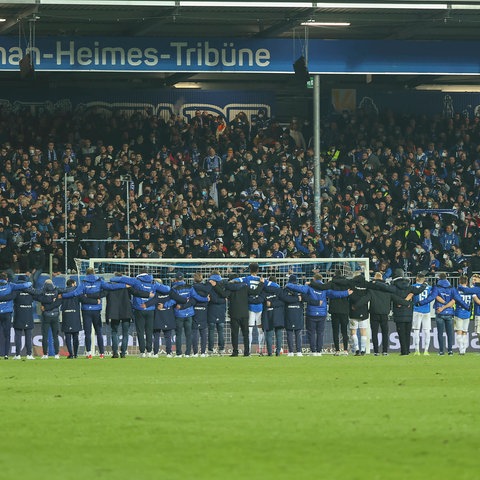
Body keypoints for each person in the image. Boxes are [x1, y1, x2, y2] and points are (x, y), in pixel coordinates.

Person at [286, 273, 351, 356]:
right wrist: (346, 293)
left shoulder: (309, 287)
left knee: (311, 332)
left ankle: (313, 351)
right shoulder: (325, 288)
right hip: (322, 314)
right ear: (321, 279)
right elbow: (335, 294)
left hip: (311, 313)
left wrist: (289, 285)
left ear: (314, 279)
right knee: (320, 333)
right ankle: (319, 351)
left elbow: (299, 288)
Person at [110, 269, 171, 357]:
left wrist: (122, 283)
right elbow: (167, 289)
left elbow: (116, 279)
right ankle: (149, 352)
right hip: (150, 309)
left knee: (140, 331)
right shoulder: (153, 282)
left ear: (140, 273)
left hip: (139, 309)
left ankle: (142, 352)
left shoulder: (136, 281)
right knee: (149, 331)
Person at [357, 272, 412, 356]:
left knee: (374, 333)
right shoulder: (387, 290)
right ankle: (385, 351)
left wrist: (356, 306)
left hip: (374, 313)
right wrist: (406, 303)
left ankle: (376, 351)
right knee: (385, 333)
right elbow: (396, 299)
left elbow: (365, 299)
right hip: (384, 314)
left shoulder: (371, 290)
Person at [374, 269, 427, 356]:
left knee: (401, 333)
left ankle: (404, 351)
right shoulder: (409, 287)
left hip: (398, 313)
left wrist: (375, 282)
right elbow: (419, 290)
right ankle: (407, 350)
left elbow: (385, 287)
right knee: (407, 332)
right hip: (409, 313)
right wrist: (424, 284)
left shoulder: (393, 287)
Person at [417, 272, 469, 356]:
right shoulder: (452, 288)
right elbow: (458, 299)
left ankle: (441, 351)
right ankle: (450, 351)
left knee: (440, 333)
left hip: (439, 312)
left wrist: (420, 303)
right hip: (450, 312)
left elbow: (431, 297)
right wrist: (467, 307)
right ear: (446, 278)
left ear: (439, 279)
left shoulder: (436, 287)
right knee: (450, 333)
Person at [171, 272, 209, 358]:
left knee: (179, 334)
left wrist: (165, 305)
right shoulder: (190, 287)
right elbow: (196, 297)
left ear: (176, 279)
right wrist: (206, 299)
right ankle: (188, 353)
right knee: (189, 334)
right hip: (189, 314)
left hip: (179, 314)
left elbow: (173, 300)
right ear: (183, 278)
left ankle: (179, 353)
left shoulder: (174, 288)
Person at [225, 275, 264, 357]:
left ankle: (235, 352)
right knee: (245, 334)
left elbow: (223, 295)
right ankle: (246, 352)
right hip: (244, 314)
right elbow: (255, 292)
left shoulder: (229, 289)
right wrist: (261, 283)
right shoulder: (244, 287)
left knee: (234, 334)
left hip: (234, 313)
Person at [60, 278, 98, 359]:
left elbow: (58, 303)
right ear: (73, 284)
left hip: (66, 315)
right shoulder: (77, 292)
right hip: (75, 316)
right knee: (75, 336)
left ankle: (70, 354)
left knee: (67, 336)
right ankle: (76, 354)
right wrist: (96, 302)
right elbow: (85, 300)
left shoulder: (63, 292)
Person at [234, 263, 265, 355]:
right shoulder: (261, 280)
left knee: (250, 330)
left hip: (250, 306)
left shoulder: (246, 279)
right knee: (260, 329)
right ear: (258, 270)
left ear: (249, 270)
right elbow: (274, 285)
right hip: (260, 306)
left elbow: (235, 280)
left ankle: (249, 351)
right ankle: (261, 350)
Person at [0, 272, 33, 359]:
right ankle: (6, 355)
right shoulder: (11, 286)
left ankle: (13, 355)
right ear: (6, 279)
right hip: (7, 313)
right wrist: (30, 282)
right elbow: (25, 285)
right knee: (7, 335)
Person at [261, 276, 285, 356]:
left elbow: (261, 301)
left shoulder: (263, 291)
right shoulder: (279, 290)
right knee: (279, 335)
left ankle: (270, 353)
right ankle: (278, 352)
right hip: (278, 314)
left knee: (269, 335)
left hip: (268, 314)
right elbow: (283, 302)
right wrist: (274, 304)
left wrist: (270, 304)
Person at [411, 273, 433, 355]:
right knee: (427, 331)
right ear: (424, 279)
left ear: (417, 278)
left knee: (416, 330)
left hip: (416, 310)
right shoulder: (429, 287)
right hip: (426, 310)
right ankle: (426, 350)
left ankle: (417, 350)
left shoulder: (413, 286)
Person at [283, 275, 304, 357]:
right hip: (297, 311)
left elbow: (286, 299)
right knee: (298, 333)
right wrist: (297, 299)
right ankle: (299, 351)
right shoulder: (300, 289)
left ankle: (291, 352)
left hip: (289, 312)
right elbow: (303, 298)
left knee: (289, 333)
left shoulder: (286, 289)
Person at [207, 273, 228, 355]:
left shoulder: (209, 288)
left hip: (211, 310)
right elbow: (224, 298)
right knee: (221, 331)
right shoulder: (224, 286)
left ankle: (210, 350)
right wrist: (223, 300)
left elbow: (213, 299)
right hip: (221, 311)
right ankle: (221, 349)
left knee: (211, 331)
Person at [453, 275, 473, 355]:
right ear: (467, 282)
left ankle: (461, 349)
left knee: (459, 331)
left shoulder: (457, 290)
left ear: (459, 281)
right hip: (467, 313)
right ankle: (464, 349)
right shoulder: (470, 290)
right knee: (465, 331)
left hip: (458, 313)